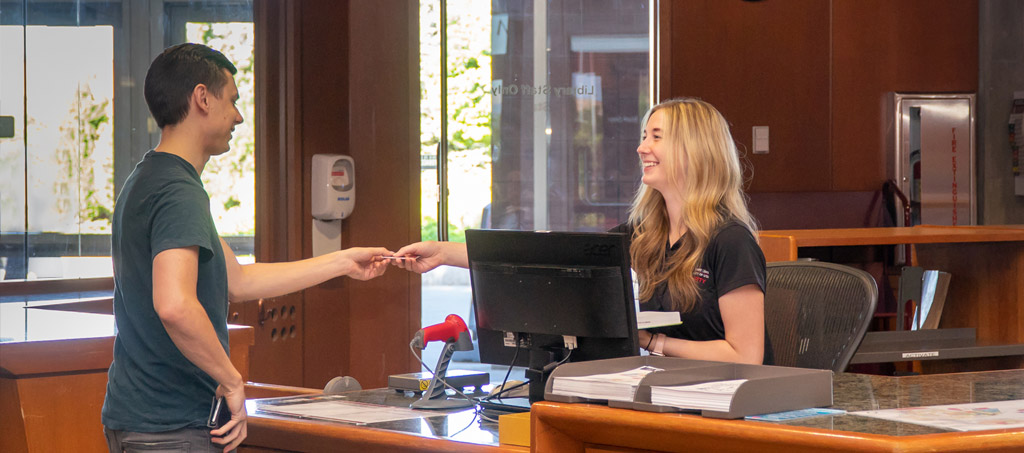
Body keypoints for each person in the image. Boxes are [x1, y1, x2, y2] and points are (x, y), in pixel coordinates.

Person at [103, 43, 392, 453]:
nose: (238, 116)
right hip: (169, 426)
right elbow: (174, 304)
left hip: (141, 419)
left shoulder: (147, 178)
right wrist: (231, 379)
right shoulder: (178, 191)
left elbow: (237, 280)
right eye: (233, 101)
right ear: (202, 98)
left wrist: (344, 261)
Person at [392, 98, 766, 364]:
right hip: (670, 392)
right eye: (643, 136)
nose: (641, 148)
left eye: (655, 137)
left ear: (694, 150)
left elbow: (745, 357)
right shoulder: (647, 233)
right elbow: (554, 258)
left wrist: (652, 342)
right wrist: (442, 252)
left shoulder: (731, 240)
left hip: (728, 405)